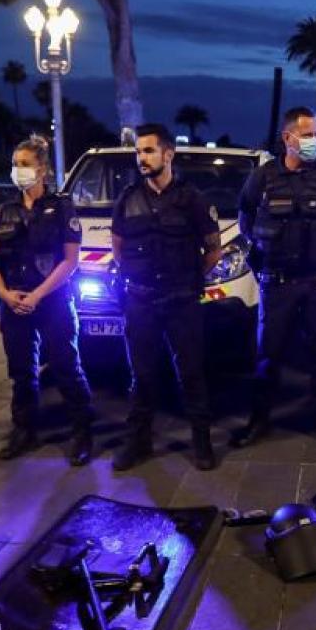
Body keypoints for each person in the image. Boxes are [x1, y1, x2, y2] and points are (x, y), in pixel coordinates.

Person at [235, 107, 316, 448]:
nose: (314, 141)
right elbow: (245, 217)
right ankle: (259, 420)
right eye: (307, 135)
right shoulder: (263, 177)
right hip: (277, 282)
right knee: (267, 356)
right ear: (288, 138)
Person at [110, 123, 223, 471]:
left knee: (191, 373)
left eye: (148, 151)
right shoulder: (127, 199)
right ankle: (138, 442)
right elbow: (118, 248)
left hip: (182, 300)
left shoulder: (193, 200)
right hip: (141, 301)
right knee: (142, 374)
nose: (141, 158)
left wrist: (188, 278)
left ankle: (201, 444)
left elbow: (213, 250)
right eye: (138, 152)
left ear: (168, 154)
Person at [0, 135, 95, 465]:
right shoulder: (7, 210)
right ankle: (24, 431)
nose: (18, 171)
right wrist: (5, 293)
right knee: (21, 371)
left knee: (65, 366)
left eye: (25, 164)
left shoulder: (61, 207)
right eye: (15, 165)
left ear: (42, 169)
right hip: (14, 302)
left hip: (52, 301)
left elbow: (70, 260)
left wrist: (37, 295)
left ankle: (82, 431)